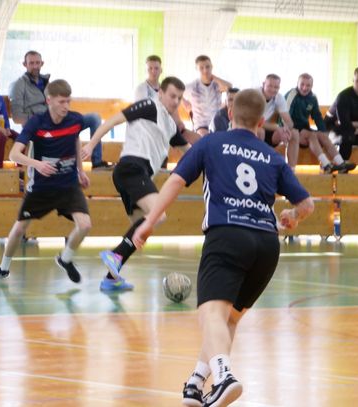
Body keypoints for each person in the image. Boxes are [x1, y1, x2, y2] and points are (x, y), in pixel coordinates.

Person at [131, 88, 314, 407]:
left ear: (230, 114)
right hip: (266, 245)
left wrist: (148, 222)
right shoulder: (273, 157)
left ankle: (224, 376)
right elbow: (307, 204)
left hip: (227, 234)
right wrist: (293, 216)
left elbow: (175, 181)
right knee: (227, 320)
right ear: (261, 122)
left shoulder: (210, 143)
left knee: (210, 314)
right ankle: (196, 382)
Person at [82, 77, 196, 292]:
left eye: (180, 98)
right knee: (158, 215)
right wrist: (91, 145)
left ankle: (110, 279)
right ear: (160, 93)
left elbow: (190, 153)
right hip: (131, 168)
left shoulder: (170, 125)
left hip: (139, 174)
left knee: (141, 231)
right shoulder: (149, 105)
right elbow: (112, 121)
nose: (175, 101)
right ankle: (114, 255)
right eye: (172, 96)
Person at [0, 79, 92, 284]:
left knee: (85, 225)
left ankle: (65, 259)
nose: (66, 106)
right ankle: (3, 269)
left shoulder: (75, 120)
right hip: (42, 187)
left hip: (68, 186)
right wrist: (37, 164)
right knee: (19, 229)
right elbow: (14, 154)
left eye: (68, 101)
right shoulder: (37, 122)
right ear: (49, 100)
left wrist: (80, 170)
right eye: (61, 102)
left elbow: (76, 139)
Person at [9, 50, 112, 170]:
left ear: (42, 63)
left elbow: (58, 103)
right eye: (31, 63)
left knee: (94, 118)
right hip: (40, 127)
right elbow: (17, 117)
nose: (35, 66)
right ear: (24, 64)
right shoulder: (18, 85)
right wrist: (37, 119)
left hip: (60, 121)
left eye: (37, 63)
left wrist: (61, 111)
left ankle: (97, 163)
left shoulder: (47, 83)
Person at [285, 73, 356, 174]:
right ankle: (326, 165)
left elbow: (317, 116)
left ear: (312, 86)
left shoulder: (313, 97)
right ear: (297, 84)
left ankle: (340, 163)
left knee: (323, 135)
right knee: (312, 135)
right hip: (292, 130)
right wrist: (289, 131)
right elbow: (285, 115)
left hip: (305, 129)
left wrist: (323, 131)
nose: (304, 88)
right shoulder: (292, 95)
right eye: (302, 84)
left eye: (308, 85)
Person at [183, 55, 232, 136]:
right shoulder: (192, 86)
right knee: (206, 137)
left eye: (207, 67)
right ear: (197, 69)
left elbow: (229, 87)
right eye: (201, 68)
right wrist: (183, 101)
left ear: (212, 67)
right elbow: (176, 90)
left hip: (217, 121)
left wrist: (214, 77)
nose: (205, 70)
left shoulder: (217, 84)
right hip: (201, 125)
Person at [259, 74, 300, 170]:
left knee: (294, 133)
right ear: (263, 84)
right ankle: (258, 168)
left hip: (270, 132)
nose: (273, 89)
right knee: (260, 131)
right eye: (270, 86)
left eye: (276, 87)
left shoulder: (279, 98)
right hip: (253, 130)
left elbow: (290, 123)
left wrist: (285, 130)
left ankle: (291, 171)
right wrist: (277, 127)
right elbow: (255, 122)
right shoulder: (255, 94)